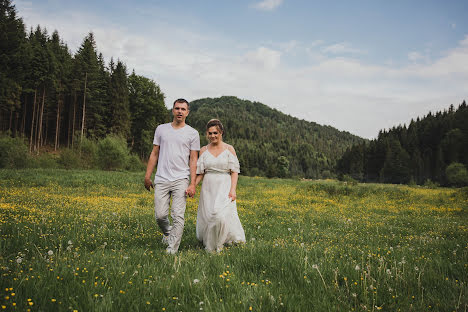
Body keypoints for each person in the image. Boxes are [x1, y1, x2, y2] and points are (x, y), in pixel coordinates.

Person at [144, 98, 200, 254]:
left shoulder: (192, 133)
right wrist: (148, 176)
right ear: (173, 110)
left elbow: (194, 159)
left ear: (187, 112)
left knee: (178, 215)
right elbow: (154, 153)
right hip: (161, 178)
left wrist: (192, 183)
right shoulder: (161, 129)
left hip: (181, 178)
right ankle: (168, 232)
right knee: (160, 215)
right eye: (177, 108)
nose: (180, 111)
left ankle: (172, 249)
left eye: (183, 109)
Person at [194, 119, 245, 252]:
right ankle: (211, 242)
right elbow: (200, 172)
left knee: (220, 215)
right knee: (209, 216)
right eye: (210, 133)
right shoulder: (204, 150)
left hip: (225, 185)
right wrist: (192, 186)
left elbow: (234, 171)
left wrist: (233, 190)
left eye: (215, 133)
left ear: (221, 132)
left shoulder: (229, 149)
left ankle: (218, 244)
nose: (213, 136)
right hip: (208, 188)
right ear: (207, 134)